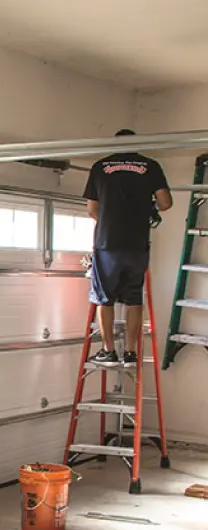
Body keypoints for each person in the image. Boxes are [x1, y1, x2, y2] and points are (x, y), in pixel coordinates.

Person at [83, 129, 173, 366]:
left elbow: (92, 209)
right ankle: (131, 352)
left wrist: (111, 221)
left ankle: (108, 350)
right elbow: (165, 203)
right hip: (137, 243)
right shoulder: (150, 166)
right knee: (134, 298)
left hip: (107, 243)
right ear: (137, 143)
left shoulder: (100, 167)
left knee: (105, 298)